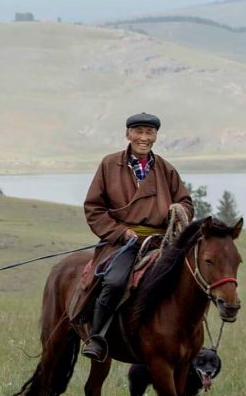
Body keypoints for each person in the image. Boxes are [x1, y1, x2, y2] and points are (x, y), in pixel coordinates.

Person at [82, 112, 194, 361]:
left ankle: (191, 341)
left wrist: (179, 210)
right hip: (125, 242)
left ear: (155, 136)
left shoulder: (165, 168)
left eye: (149, 133)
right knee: (113, 281)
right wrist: (121, 233)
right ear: (128, 134)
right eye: (139, 132)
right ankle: (97, 337)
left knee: (192, 280)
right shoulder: (110, 165)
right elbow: (94, 208)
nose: (144, 138)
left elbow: (185, 201)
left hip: (163, 241)